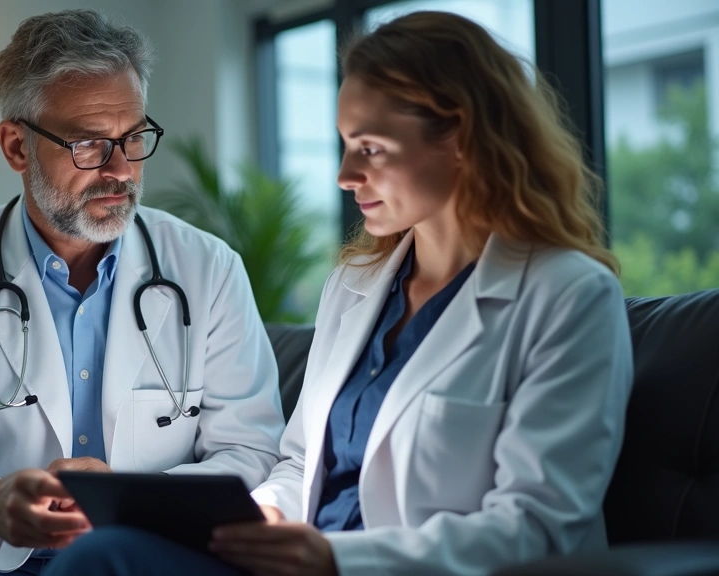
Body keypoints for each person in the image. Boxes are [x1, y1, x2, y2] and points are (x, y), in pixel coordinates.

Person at [42, 10, 635, 576]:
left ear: (459, 136)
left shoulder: (570, 298)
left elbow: (536, 526)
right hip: (299, 565)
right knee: (109, 555)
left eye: (370, 148)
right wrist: (267, 515)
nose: (345, 175)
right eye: (346, 144)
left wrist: (336, 562)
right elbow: (302, 464)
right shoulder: (357, 286)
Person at [0, 9, 286, 576]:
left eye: (133, 138)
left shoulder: (208, 268)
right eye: (89, 144)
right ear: (16, 146)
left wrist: (131, 499)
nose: (121, 170)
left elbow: (252, 452)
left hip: (139, 559)